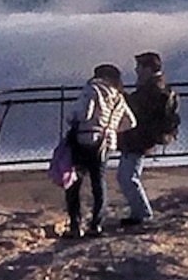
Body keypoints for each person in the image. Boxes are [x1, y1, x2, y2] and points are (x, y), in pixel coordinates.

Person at [63, 66, 131, 239]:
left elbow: (83, 114)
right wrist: (112, 129)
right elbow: (131, 122)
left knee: (74, 183)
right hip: (106, 143)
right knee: (98, 183)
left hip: (84, 140)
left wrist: (72, 118)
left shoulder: (92, 90)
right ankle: (96, 224)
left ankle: (75, 225)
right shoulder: (119, 97)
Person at [114, 51, 178, 227]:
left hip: (139, 138)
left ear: (148, 69)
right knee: (127, 176)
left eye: (139, 67)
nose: (136, 70)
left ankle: (142, 213)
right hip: (142, 137)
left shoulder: (153, 88)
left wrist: (119, 94)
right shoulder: (158, 86)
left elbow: (137, 107)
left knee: (128, 177)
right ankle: (140, 212)